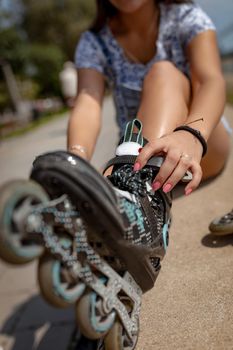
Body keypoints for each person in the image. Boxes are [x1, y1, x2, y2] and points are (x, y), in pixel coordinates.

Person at [66, 0, 231, 346]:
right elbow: (88, 101)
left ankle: (139, 206)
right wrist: (76, 165)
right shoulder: (95, 41)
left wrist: (191, 135)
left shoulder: (184, 17)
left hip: (200, 144)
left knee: (164, 72)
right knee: (109, 185)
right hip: (141, 159)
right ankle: (118, 254)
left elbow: (211, 80)